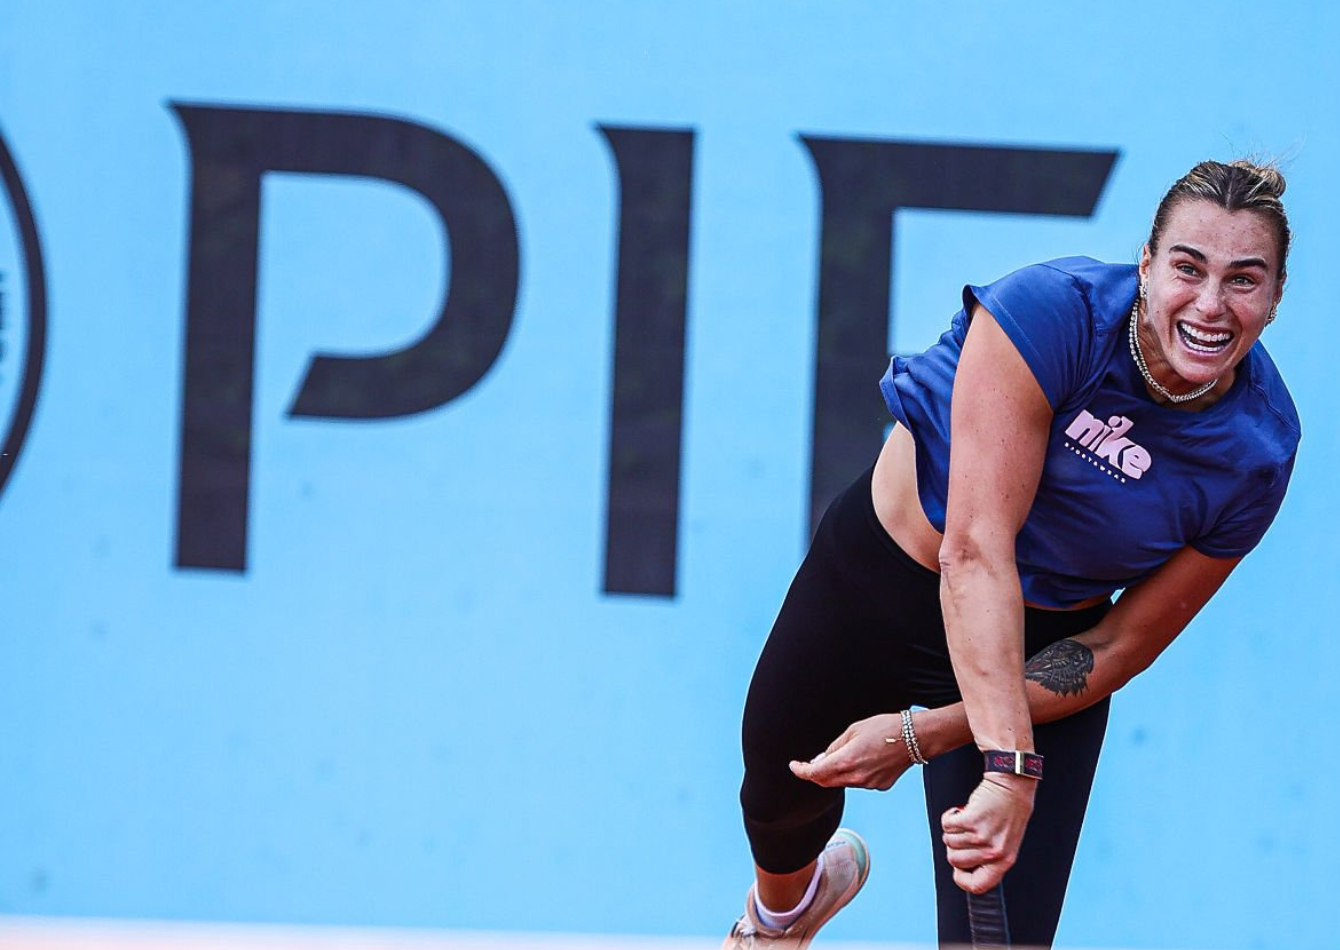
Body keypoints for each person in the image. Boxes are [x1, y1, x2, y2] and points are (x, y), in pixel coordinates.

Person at [722, 159, 1300, 948]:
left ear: (1273, 298)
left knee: (1001, 941)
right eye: (1188, 268)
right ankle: (780, 919)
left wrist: (935, 735)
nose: (1209, 304)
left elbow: (1124, 644)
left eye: (1243, 280)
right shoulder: (1051, 313)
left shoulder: (1256, 450)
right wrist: (1007, 767)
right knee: (780, 797)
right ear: (1145, 264)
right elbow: (976, 548)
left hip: (1048, 643)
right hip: (885, 581)